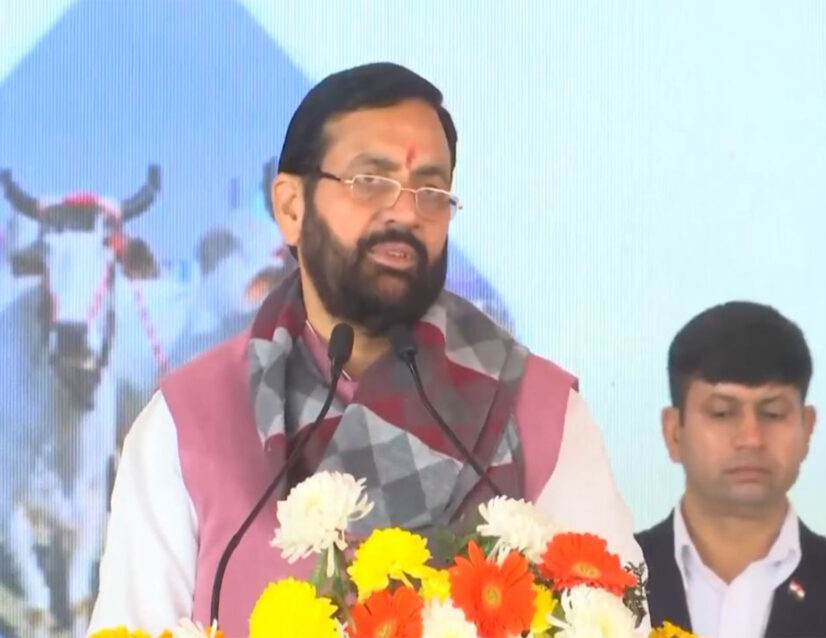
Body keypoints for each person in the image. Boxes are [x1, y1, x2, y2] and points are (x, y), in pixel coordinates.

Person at [88, 62, 646, 637]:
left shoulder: (539, 410)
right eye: (370, 181)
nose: (406, 212)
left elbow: (615, 618)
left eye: (432, 191)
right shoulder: (187, 423)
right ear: (291, 208)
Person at [636, 302, 826, 638]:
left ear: (807, 428)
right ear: (674, 431)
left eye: (773, 413)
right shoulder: (602, 583)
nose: (751, 439)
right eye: (722, 413)